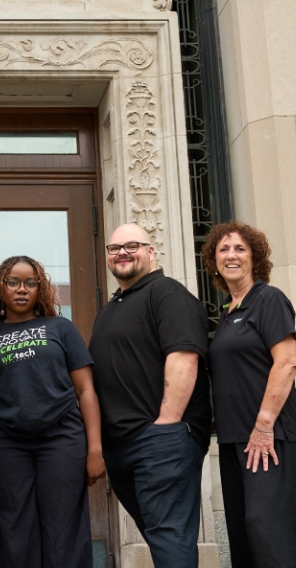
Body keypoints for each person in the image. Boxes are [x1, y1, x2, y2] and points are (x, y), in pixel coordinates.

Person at [0, 256, 105, 568]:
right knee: (15, 531)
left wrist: (95, 448)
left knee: (63, 529)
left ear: (40, 288)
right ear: (0, 288)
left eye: (30, 283)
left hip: (62, 439)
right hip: (6, 445)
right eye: (13, 282)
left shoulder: (61, 328)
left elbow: (86, 391)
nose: (21, 289)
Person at [87, 223, 211, 568]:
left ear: (151, 251)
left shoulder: (167, 293)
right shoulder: (112, 308)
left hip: (160, 440)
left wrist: (167, 422)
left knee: (169, 538)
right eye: (114, 248)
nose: (122, 253)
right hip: (123, 447)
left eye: (132, 245)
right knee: (163, 540)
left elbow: (184, 356)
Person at [202, 223, 296, 568]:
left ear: (255, 258)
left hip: (269, 437)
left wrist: (263, 425)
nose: (231, 255)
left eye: (240, 249)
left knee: (268, 532)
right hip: (236, 441)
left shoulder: (268, 299)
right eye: (223, 249)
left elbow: (288, 362)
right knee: (244, 540)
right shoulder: (229, 311)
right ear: (214, 260)